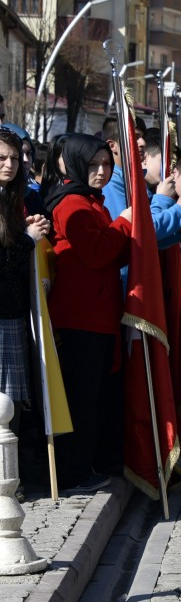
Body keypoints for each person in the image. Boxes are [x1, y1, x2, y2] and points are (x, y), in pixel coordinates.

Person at [45, 134, 133, 491]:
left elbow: (112, 253)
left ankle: (91, 465)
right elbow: (98, 253)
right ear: (79, 164)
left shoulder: (92, 202)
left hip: (98, 315)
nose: (101, 171)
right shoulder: (72, 205)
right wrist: (126, 223)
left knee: (96, 397)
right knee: (82, 399)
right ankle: (73, 474)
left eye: (106, 164)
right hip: (80, 318)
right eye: (94, 164)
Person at [0, 128, 50, 446]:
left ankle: (9, 475)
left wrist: (27, 232)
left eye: (15, 158)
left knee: (11, 402)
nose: (9, 164)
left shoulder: (12, 197)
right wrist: (29, 241)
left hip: (12, 311)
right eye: (1, 158)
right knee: (3, 401)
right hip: (1, 313)